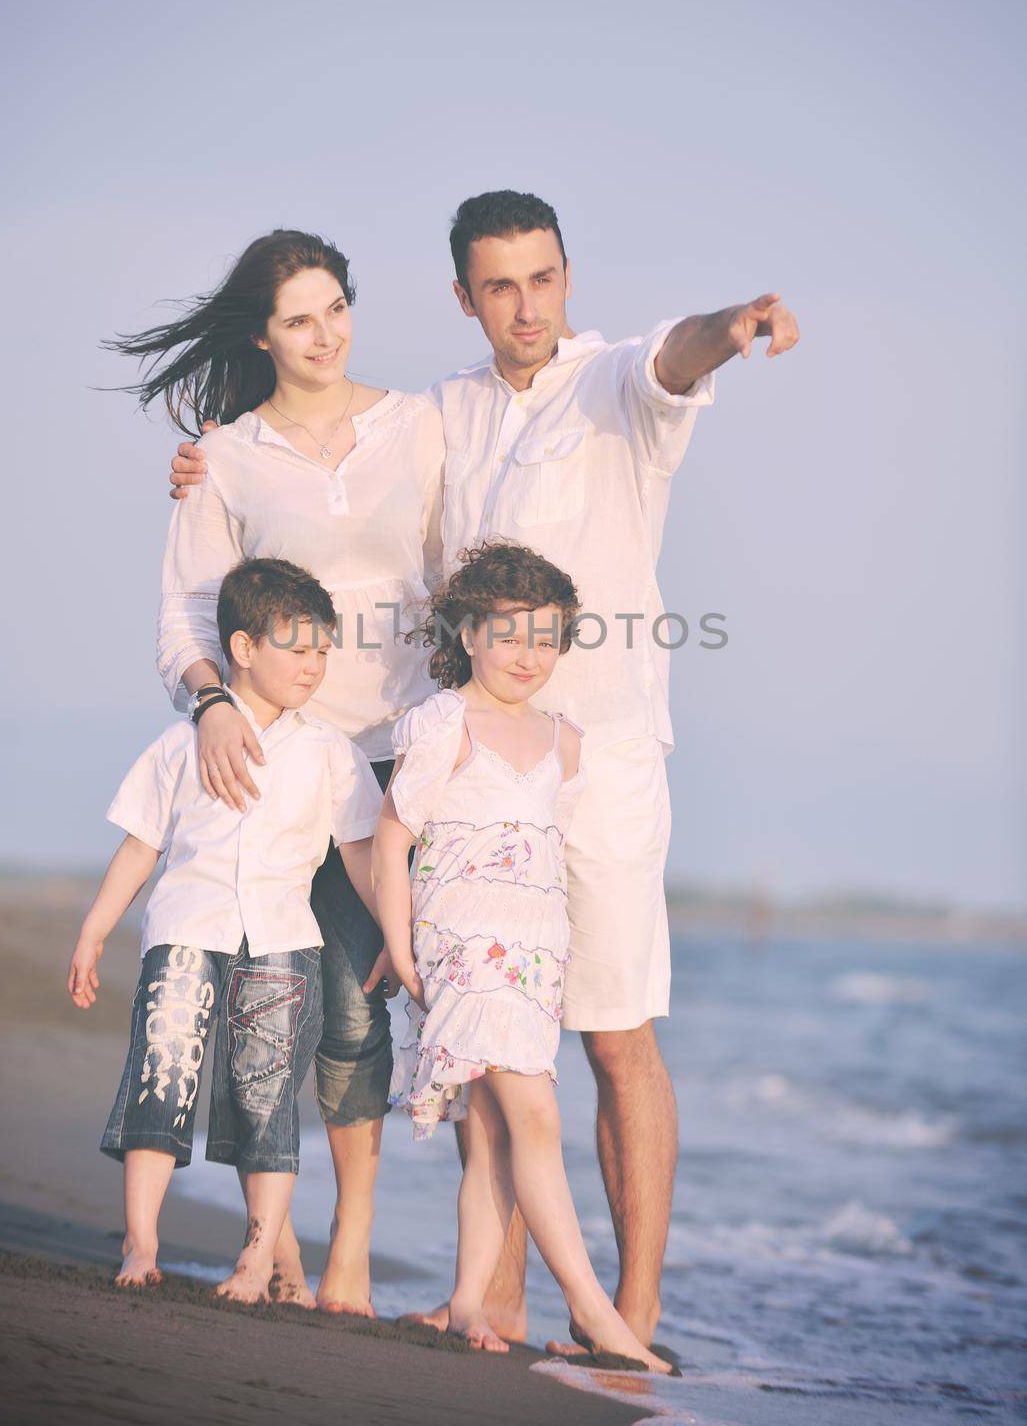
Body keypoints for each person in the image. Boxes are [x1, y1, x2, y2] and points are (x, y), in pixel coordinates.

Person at [170, 193, 801, 1349]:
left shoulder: (614, 382)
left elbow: (676, 354)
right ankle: (496, 1297)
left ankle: (633, 1312)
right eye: (500, 286)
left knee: (613, 1035)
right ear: (464, 296)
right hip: (463, 761)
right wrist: (206, 461)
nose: (526, 306)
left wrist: (737, 320)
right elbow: (324, 471)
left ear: (568, 276)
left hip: (595, 759)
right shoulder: (441, 412)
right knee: (486, 1027)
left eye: (543, 279)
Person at [113, 228, 444, 1314]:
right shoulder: (228, 454)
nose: (323, 333)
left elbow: (457, 572)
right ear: (262, 333)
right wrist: (209, 698)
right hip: (259, 760)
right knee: (262, 1005)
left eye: (335, 307)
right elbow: (186, 609)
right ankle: (274, 1242)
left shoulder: (421, 428)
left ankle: (344, 1244)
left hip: (382, 765)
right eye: (297, 317)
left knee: (348, 1013)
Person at [373, 541, 671, 1373]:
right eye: (508, 637)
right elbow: (393, 835)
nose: (527, 657)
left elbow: (548, 853)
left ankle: (471, 1298)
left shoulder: (563, 739)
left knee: (500, 1128)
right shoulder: (438, 724)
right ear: (468, 632)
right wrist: (399, 948)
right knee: (537, 1117)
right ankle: (594, 1309)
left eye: (545, 640)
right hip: (464, 946)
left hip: (535, 955)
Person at [66, 558, 384, 1300]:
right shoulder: (181, 744)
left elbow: (363, 860)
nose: (314, 666)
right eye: (296, 648)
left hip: (281, 942)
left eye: (322, 651)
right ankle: (140, 1243)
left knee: (265, 1099)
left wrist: (395, 940)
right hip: (184, 929)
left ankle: (255, 1261)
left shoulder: (330, 753)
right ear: (243, 648)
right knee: (161, 1076)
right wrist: (93, 932)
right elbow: (141, 845)